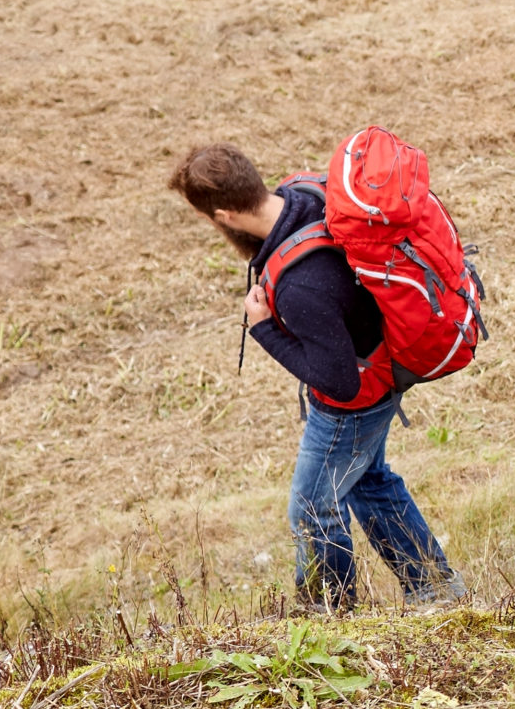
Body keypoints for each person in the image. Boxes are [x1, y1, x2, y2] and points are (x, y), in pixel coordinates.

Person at [168, 143, 465, 610]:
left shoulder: (301, 286)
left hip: (355, 403)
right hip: (384, 365)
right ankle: (435, 588)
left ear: (223, 215)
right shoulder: (303, 195)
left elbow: (339, 382)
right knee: (367, 483)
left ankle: (328, 617)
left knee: (311, 509)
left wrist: (264, 329)